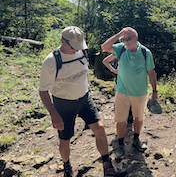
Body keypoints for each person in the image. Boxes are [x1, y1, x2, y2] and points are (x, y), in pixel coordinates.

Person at [39, 26, 126, 177]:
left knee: (100, 129)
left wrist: (88, 90)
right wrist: (53, 114)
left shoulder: (82, 52)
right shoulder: (51, 61)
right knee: (65, 139)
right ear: (63, 41)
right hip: (63, 104)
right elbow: (43, 91)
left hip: (85, 99)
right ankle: (67, 168)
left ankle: (108, 167)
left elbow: (84, 73)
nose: (76, 50)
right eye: (73, 47)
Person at [101, 27, 158, 160]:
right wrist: (119, 34)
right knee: (121, 120)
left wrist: (155, 91)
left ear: (136, 38)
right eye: (124, 39)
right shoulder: (121, 48)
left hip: (139, 92)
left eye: (128, 38)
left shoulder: (145, 52)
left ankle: (136, 140)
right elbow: (104, 47)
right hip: (122, 92)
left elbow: (151, 72)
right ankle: (120, 144)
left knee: (138, 118)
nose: (126, 41)